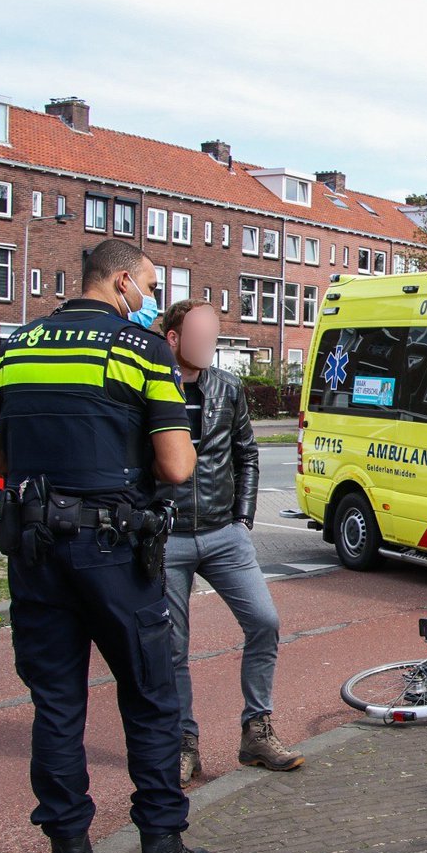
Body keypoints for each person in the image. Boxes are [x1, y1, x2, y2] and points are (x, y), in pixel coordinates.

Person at [0, 238, 212, 853]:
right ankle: (162, 852)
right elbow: (177, 467)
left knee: (57, 704)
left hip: (35, 551)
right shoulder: (141, 351)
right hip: (113, 550)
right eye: (149, 286)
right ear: (124, 281)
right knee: (150, 697)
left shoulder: (15, 349)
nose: (150, 298)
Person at [155, 299, 302, 786]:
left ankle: (256, 732)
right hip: (169, 536)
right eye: (200, 333)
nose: (209, 343)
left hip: (224, 533)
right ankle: (184, 744)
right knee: (173, 647)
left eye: (214, 334)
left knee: (264, 622)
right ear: (174, 338)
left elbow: (248, 455)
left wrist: (243, 518)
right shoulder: (150, 386)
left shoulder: (228, 386)